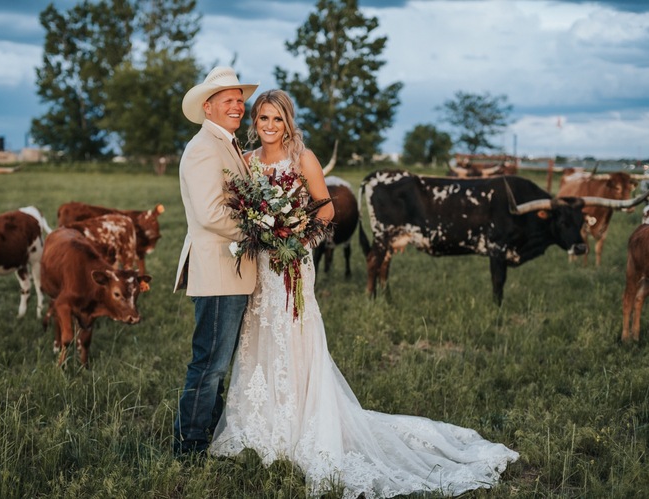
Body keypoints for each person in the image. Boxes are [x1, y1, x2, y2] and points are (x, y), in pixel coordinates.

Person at [209, 89, 520, 497]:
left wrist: (296, 235)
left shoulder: (303, 158)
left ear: (288, 123)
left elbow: (325, 210)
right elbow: (241, 209)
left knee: (293, 334)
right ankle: (259, 424)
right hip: (261, 267)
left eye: (276, 120)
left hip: (293, 262)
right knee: (259, 335)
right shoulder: (247, 162)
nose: (269, 127)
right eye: (263, 119)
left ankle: (303, 422)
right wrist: (261, 229)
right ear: (255, 123)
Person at [173, 66, 259, 456]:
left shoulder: (226, 143)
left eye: (240, 100)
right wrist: (260, 233)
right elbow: (210, 214)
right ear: (208, 107)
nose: (238, 106)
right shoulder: (204, 147)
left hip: (230, 271)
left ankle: (207, 434)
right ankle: (188, 446)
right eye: (229, 100)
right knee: (209, 365)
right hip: (219, 271)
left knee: (216, 364)